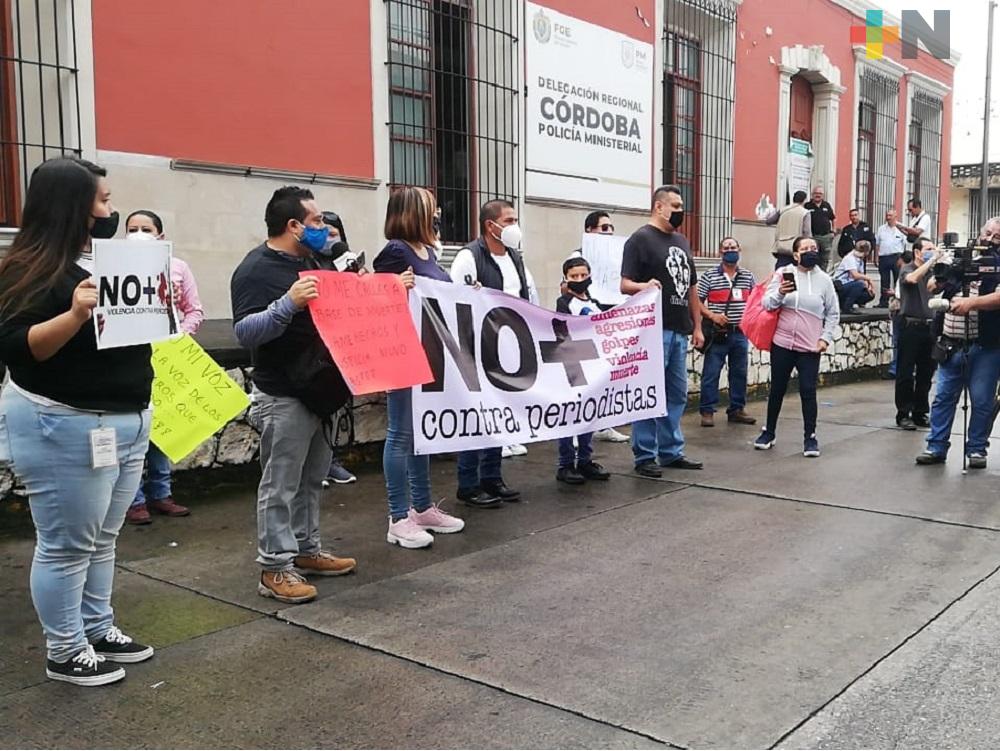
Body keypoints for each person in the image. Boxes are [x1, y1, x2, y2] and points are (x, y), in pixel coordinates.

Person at [0, 156, 155, 686]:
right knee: (66, 544)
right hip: (63, 423)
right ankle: (64, 649)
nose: (112, 211)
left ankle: (96, 626)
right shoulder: (26, 271)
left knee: (102, 538)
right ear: (74, 207)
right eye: (105, 201)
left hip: (125, 421)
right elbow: (20, 350)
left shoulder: (103, 265)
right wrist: (73, 314)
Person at [231, 186, 357, 605]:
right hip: (284, 394)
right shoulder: (254, 271)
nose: (324, 228)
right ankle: (274, 566)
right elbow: (246, 332)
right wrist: (287, 304)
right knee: (280, 484)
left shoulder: (316, 261)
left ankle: (306, 549)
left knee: (312, 478)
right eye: (318, 221)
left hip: (321, 390)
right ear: (293, 226)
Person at [373, 187, 468, 545]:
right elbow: (377, 298)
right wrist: (395, 288)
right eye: (431, 209)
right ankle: (398, 516)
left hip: (429, 352)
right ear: (415, 213)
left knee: (420, 435)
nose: (438, 215)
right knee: (400, 433)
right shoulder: (395, 251)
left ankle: (423, 506)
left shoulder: (427, 251)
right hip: (402, 352)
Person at [123, 210, 205, 525]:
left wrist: (178, 338)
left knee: (162, 431)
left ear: (160, 235)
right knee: (134, 431)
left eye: (146, 228)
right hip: (127, 358)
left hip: (167, 359)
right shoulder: (114, 267)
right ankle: (133, 500)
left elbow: (193, 310)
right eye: (132, 229)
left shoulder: (179, 268)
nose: (139, 233)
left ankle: (160, 494)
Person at [448, 199, 532, 504]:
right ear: (490, 226)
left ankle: (492, 477)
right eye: (509, 221)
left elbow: (527, 296)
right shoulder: (468, 258)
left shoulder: (515, 258)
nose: (514, 226)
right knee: (477, 415)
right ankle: (468, 483)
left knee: (498, 414)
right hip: (477, 350)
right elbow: (456, 301)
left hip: (508, 350)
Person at [620, 184, 705, 477]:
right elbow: (625, 284)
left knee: (676, 393)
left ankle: (671, 451)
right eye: (676, 206)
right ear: (659, 206)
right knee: (648, 393)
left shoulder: (681, 241)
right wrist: (644, 286)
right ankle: (645, 454)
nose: (681, 211)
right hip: (652, 330)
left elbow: (692, 286)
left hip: (679, 330)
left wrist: (698, 325)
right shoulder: (640, 240)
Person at [915, 218, 1000, 469]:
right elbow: (932, 286)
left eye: (997, 236)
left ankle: (976, 449)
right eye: (988, 233)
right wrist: (940, 269)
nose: (990, 239)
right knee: (943, 397)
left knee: (982, 399)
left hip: (985, 345)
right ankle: (936, 446)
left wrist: (971, 303)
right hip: (950, 342)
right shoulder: (961, 259)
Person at [754, 236, 840, 457]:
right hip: (782, 343)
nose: (810, 251)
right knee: (777, 389)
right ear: (795, 255)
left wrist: (825, 338)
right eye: (805, 248)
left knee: (808, 391)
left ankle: (810, 437)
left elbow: (833, 313)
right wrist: (781, 291)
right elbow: (767, 304)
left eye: (814, 248)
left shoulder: (824, 280)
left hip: (809, 347)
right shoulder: (783, 274)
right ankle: (769, 432)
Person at [567, 210, 629, 443]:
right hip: (584, 325)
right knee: (583, 380)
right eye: (604, 228)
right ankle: (576, 429)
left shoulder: (615, 255)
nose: (609, 232)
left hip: (607, 319)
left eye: (611, 228)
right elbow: (566, 287)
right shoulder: (577, 255)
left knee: (607, 377)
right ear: (589, 231)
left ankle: (604, 424)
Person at [554, 257, 613, 484]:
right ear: (566, 279)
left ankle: (585, 460)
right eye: (573, 277)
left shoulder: (597, 302)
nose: (579, 280)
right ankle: (566, 464)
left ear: (589, 275)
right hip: (572, 364)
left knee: (589, 412)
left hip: (592, 366)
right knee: (570, 414)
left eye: (582, 275)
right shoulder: (564, 303)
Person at [696, 236, 757, 427]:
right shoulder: (709, 276)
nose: (730, 250)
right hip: (718, 332)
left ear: (739, 250)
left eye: (733, 247)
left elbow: (755, 301)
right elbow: (696, 301)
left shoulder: (747, 276)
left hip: (740, 332)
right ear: (720, 252)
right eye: (726, 247)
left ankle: (737, 409)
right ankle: (707, 411)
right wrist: (712, 316)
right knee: (711, 373)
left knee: (739, 372)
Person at [316, 210, 357, 487]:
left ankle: (331, 461)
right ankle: (315, 465)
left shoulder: (346, 261)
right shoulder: (308, 262)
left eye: (334, 234)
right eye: (325, 233)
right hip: (314, 349)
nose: (330, 239)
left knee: (335, 409)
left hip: (342, 346)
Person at [895, 238, 940, 430]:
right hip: (910, 326)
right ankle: (904, 413)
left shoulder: (933, 273)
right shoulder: (908, 268)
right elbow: (912, 279)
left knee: (926, 372)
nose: (932, 252)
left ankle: (920, 412)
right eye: (928, 249)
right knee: (905, 372)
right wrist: (931, 260)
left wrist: (941, 264)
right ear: (917, 252)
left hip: (929, 327)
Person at [765, 190, 812, 268]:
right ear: (804, 200)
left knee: (780, 272)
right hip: (797, 248)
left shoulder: (783, 210)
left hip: (782, 247)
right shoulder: (805, 213)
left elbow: (769, 221)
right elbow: (807, 232)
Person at [875, 210, 907, 307]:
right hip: (883, 257)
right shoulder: (881, 229)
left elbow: (905, 245)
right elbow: (877, 244)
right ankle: (883, 302)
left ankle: (898, 301)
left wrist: (904, 259)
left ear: (895, 216)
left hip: (897, 257)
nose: (888, 217)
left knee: (898, 279)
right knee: (884, 280)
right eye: (887, 215)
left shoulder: (901, 228)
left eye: (890, 215)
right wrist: (876, 257)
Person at [833, 240, 875, 312]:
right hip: (841, 285)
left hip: (851, 284)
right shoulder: (850, 258)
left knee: (868, 294)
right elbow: (855, 275)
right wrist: (869, 279)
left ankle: (848, 303)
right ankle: (847, 307)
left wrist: (868, 287)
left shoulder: (860, 260)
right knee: (859, 285)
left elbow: (860, 276)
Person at [804, 186, 836, 271]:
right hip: (813, 236)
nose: (818, 195)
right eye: (816, 193)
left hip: (826, 236)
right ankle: (813, 272)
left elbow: (832, 218)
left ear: (823, 195)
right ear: (812, 194)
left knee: (825, 258)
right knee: (812, 256)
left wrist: (833, 231)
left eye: (820, 193)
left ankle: (823, 274)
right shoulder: (807, 206)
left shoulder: (827, 205)